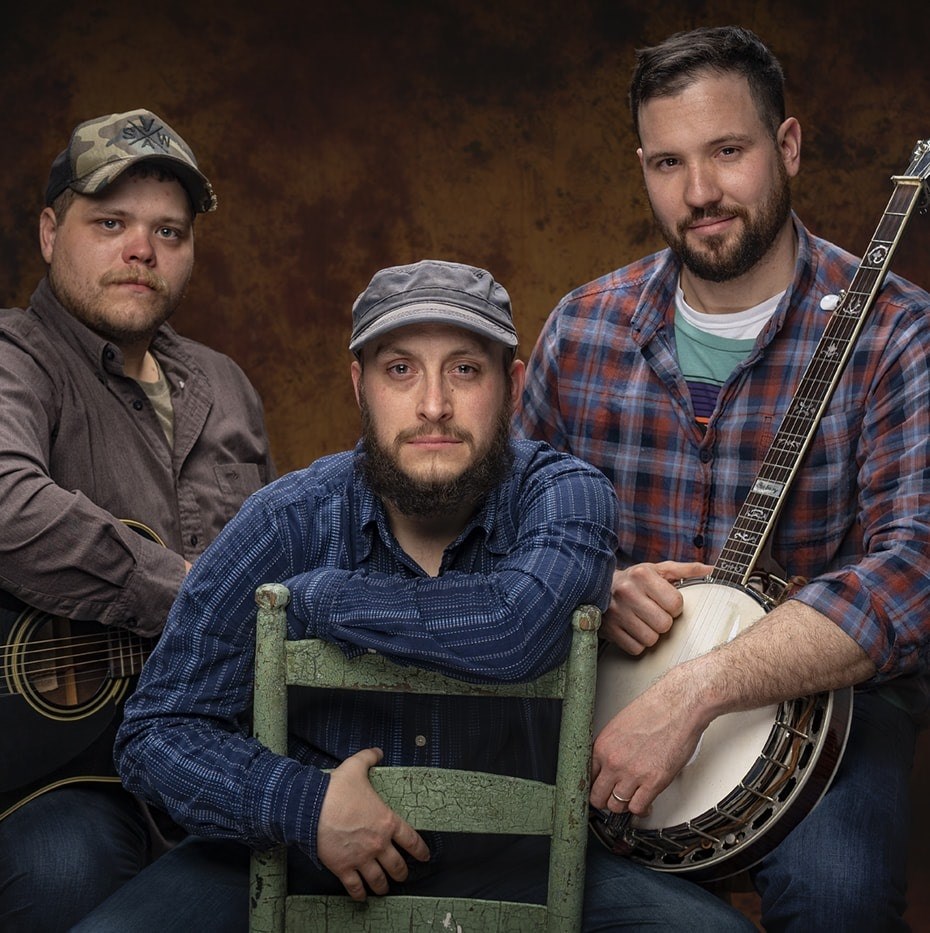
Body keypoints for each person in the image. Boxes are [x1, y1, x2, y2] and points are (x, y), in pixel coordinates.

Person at [68, 258, 636, 932]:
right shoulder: (286, 519)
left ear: (510, 385)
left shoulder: (567, 496)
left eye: (465, 369)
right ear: (359, 385)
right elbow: (157, 731)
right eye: (400, 369)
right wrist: (305, 806)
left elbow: (514, 631)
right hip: (301, 857)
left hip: (523, 863)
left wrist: (319, 598)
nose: (433, 405)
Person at [516, 24, 930, 932]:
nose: (699, 193)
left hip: (830, 720)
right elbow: (505, 533)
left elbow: (914, 573)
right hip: (601, 710)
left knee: (840, 898)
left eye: (727, 151)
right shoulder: (582, 328)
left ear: (786, 145)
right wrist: (593, 583)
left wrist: (698, 690)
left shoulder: (898, 332)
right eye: (668, 162)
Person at [0, 109, 275, 932]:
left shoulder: (226, 384)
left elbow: (284, 553)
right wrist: (191, 593)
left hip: (218, 754)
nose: (141, 251)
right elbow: (5, 500)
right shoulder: (16, 355)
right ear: (51, 232)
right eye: (110, 223)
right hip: (63, 771)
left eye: (169, 231)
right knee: (62, 868)